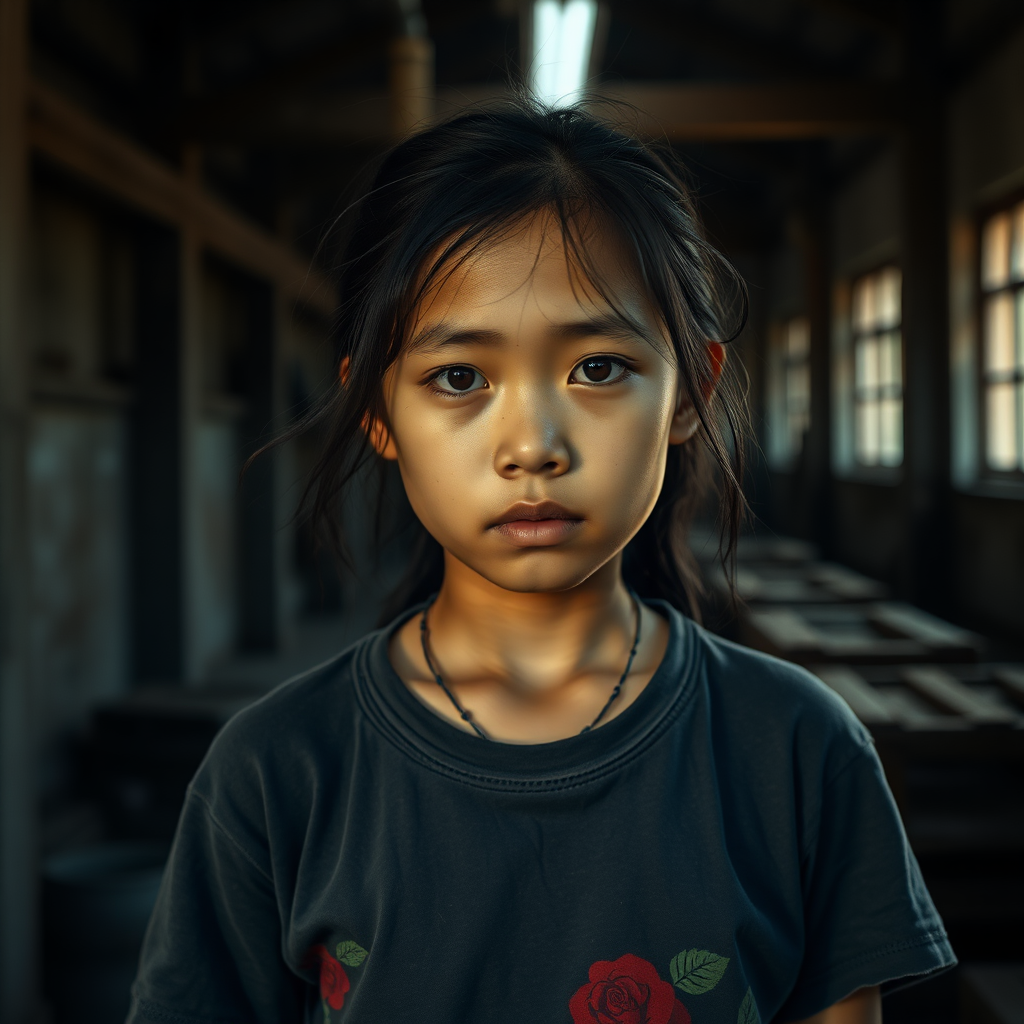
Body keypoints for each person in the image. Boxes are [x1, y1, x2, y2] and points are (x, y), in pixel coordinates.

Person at [127, 101, 954, 1024]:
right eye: (458, 378)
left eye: (598, 368)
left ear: (692, 391)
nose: (532, 445)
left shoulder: (797, 749)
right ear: (377, 412)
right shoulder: (279, 770)